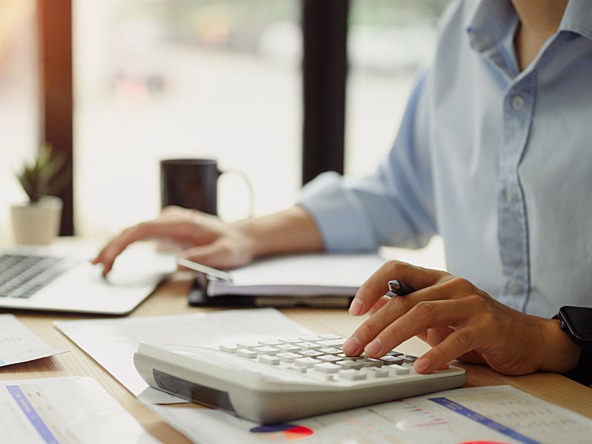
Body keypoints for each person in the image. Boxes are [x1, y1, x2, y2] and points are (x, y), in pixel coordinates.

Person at [93, 0, 592, 383]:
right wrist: (245, 235)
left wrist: (552, 339)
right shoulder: (463, 26)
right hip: (478, 385)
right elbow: (399, 191)